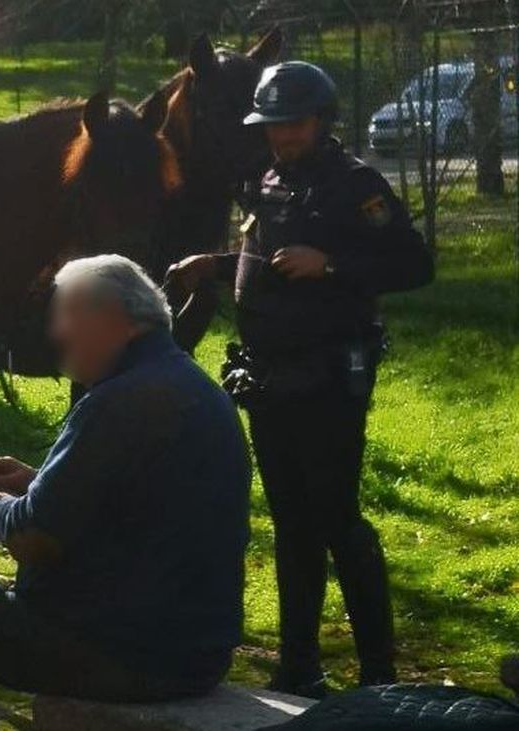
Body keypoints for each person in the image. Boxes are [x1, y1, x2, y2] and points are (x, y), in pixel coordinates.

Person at [0, 255, 251, 731]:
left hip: (123, 652)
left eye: (63, 318)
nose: (55, 334)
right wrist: (42, 482)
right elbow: (138, 502)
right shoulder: (190, 385)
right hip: (195, 649)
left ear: (111, 320)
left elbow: (37, 537)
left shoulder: (119, 400)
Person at [168, 61, 435, 697]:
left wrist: (334, 264)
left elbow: (414, 264)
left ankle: (379, 673)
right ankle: (298, 665)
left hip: (330, 375)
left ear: (322, 120)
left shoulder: (356, 185)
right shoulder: (268, 180)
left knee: (337, 518)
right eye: (274, 126)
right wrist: (219, 263)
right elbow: (272, 262)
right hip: (269, 377)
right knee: (291, 521)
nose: (283, 136)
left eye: (295, 124)